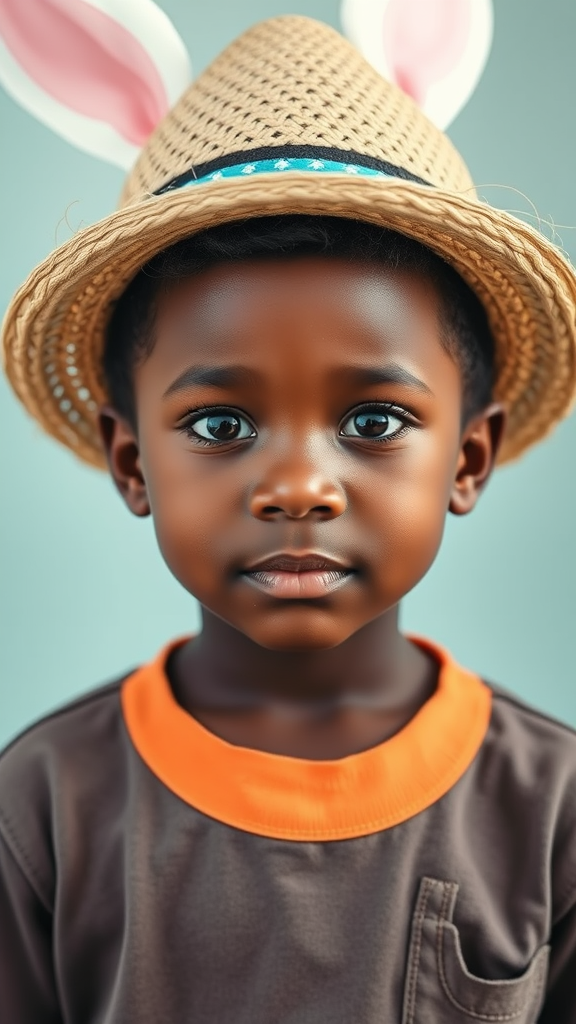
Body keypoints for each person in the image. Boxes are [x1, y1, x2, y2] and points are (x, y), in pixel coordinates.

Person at [0, 15, 575, 1024]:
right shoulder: (40, 808)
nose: (300, 485)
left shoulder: (554, 813)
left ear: (467, 458)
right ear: (131, 461)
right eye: (221, 422)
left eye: (372, 419)